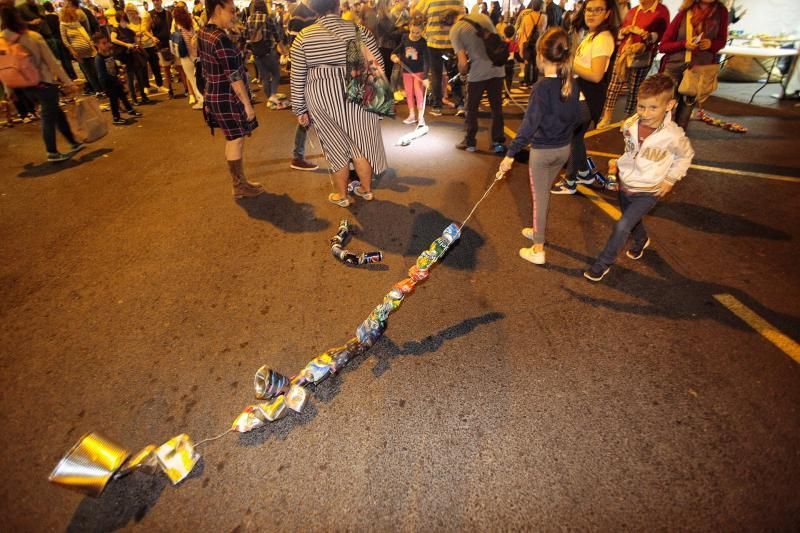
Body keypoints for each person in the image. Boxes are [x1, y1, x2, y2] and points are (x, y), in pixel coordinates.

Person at [583, 74, 694, 282]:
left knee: (623, 225)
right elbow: (629, 142)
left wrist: (670, 179)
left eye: (653, 108)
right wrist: (621, 163)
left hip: (649, 190)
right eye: (641, 106)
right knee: (632, 221)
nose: (645, 113)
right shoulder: (632, 124)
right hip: (626, 183)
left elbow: (685, 156)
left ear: (670, 105)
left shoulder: (673, 135)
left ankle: (602, 264)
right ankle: (641, 239)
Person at [290, 0, 388, 207]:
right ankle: (366, 189)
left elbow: (297, 76)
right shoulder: (359, 30)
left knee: (335, 146)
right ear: (338, 7)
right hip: (358, 89)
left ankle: (342, 196)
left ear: (314, 9)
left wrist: (300, 108)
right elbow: (377, 64)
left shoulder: (303, 37)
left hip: (321, 95)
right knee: (360, 143)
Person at [498, 27, 581, 265]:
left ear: (541, 56)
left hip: (543, 152)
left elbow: (528, 126)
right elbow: (578, 117)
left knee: (540, 196)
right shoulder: (572, 83)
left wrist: (510, 154)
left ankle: (538, 247)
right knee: (543, 193)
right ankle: (537, 230)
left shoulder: (542, 88)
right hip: (563, 150)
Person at [198, 0, 264, 198]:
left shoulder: (204, 33)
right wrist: (247, 105)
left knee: (232, 139)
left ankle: (239, 183)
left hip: (215, 94)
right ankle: (239, 185)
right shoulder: (220, 38)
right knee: (236, 140)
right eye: (231, 11)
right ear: (218, 9)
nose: (234, 15)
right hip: (227, 96)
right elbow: (233, 75)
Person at [1, 5, 82, 162]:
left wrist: (8, 90)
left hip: (23, 86)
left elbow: (4, 66)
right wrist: (68, 82)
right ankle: (52, 151)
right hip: (43, 82)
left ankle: (73, 142)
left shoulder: (2, 40)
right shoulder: (32, 36)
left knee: (55, 112)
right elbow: (52, 63)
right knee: (48, 116)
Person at [551, 0, 616, 194]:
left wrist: (569, 61)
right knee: (576, 137)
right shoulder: (592, 35)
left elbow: (596, 75)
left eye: (598, 10)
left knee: (570, 136)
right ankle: (584, 173)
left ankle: (570, 181)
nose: (591, 14)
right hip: (581, 94)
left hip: (588, 96)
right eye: (589, 9)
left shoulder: (603, 38)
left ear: (607, 14)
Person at [597, 0, 669, 128]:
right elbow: (620, 33)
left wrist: (647, 37)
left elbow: (661, 35)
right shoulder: (633, 11)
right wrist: (623, 32)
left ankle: (628, 117)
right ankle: (607, 116)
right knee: (614, 85)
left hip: (642, 55)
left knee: (634, 88)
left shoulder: (661, 11)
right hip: (624, 52)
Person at [659, 0, 728, 130]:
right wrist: (683, 44)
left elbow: (721, 41)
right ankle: (655, 143)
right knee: (663, 110)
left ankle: (677, 144)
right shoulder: (685, 11)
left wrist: (711, 44)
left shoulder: (721, 12)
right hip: (675, 66)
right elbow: (663, 45)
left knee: (684, 116)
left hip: (698, 70)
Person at [449, 7, 506, 153]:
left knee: (471, 107)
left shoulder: (455, 30)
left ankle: (470, 142)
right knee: (496, 108)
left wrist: (462, 75)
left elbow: (462, 62)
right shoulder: (483, 17)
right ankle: (497, 143)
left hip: (479, 72)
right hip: (498, 68)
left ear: (450, 22)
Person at [411, 0, 463, 117]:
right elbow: (462, 18)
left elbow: (415, 13)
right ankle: (460, 104)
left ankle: (437, 106)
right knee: (454, 74)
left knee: (436, 75)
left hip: (434, 43)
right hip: (452, 42)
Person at [286, 0, 319, 171]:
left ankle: (298, 155)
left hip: (313, 73)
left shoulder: (310, 12)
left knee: (313, 114)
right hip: (308, 73)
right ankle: (297, 156)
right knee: (307, 115)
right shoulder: (300, 14)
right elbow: (295, 48)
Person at [93, 31, 143, 124]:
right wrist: (116, 79)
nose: (107, 44)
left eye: (106, 42)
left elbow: (113, 64)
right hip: (108, 83)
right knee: (114, 100)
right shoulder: (99, 59)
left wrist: (119, 69)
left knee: (123, 95)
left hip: (115, 80)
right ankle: (116, 118)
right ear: (97, 45)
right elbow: (102, 75)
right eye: (103, 43)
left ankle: (130, 110)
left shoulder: (108, 54)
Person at [391, 15, 430, 126]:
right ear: (409, 28)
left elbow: (427, 61)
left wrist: (426, 77)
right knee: (409, 93)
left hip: (419, 71)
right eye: (413, 32)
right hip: (407, 71)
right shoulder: (405, 38)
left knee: (418, 93)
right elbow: (396, 50)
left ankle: (420, 117)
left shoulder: (423, 42)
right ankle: (412, 115)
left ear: (422, 31)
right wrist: (394, 56)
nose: (415, 35)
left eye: (418, 33)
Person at [60, 0, 102, 94]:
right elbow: (87, 32)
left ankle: (99, 89)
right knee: (90, 70)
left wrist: (91, 46)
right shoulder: (66, 25)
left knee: (91, 70)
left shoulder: (78, 19)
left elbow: (86, 33)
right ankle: (98, 89)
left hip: (84, 49)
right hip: (81, 50)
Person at [246, 0, 282, 107]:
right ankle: (273, 95)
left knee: (265, 76)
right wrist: (280, 45)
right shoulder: (267, 18)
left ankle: (269, 98)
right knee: (276, 73)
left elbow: (245, 36)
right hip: (268, 51)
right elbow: (276, 34)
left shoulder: (249, 19)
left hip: (256, 53)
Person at [110, 12, 151, 104]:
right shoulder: (115, 30)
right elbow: (113, 39)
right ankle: (134, 98)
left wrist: (135, 46)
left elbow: (135, 42)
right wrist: (126, 44)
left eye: (124, 19)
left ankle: (143, 96)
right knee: (130, 78)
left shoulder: (130, 31)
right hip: (125, 57)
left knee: (139, 77)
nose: (123, 21)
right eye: (121, 20)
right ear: (118, 20)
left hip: (134, 55)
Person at [172, 1, 204, 109]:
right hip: (196, 55)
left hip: (187, 57)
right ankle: (202, 99)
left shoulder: (179, 28)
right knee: (199, 79)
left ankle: (201, 100)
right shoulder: (190, 25)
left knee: (192, 80)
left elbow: (186, 44)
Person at [149, 0, 184, 97]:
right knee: (166, 69)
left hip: (172, 43)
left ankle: (186, 89)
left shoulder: (168, 13)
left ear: (161, 1)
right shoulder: (150, 15)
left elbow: (174, 27)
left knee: (179, 66)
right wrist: (152, 37)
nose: (156, 2)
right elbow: (145, 29)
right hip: (161, 46)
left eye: (158, 0)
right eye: (154, 0)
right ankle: (170, 90)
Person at [124, 3, 162, 90]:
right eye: (129, 13)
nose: (131, 15)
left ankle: (160, 84)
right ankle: (146, 86)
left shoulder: (142, 20)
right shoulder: (128, 24)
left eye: (132, 12)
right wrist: (136, 34)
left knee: (155, 66)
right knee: (143, 68)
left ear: (136, 12)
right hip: (139, 48)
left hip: (150, 45)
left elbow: (146, 30)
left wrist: (148, 35)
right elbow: (128, 36)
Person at [516, 0, 546, 88]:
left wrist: (521, 45)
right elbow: (543, 31)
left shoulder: (526, 17)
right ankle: (535, 81)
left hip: (527, 42)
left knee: (527, 62)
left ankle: (527, 81)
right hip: (538, 42)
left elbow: (523, 31)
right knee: (536, 63)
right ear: (540, 6)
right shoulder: (544, 17)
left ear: (532, 6)